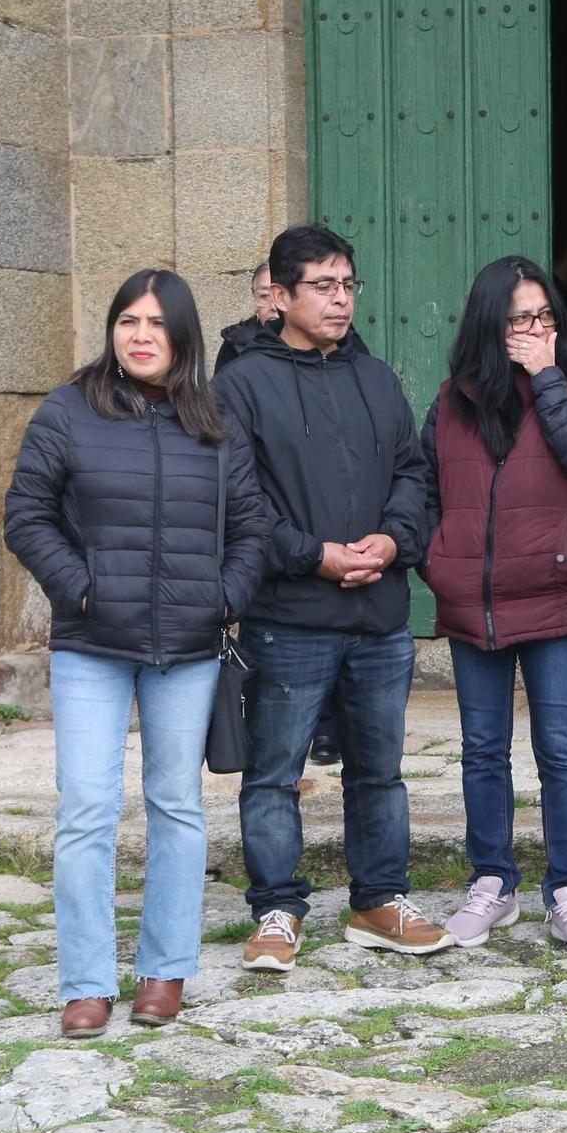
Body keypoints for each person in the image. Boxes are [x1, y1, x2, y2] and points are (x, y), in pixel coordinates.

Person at [4, 268, 268, 1038]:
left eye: (157, 322)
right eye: (128, 320)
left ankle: (164, 971)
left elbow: (250, 528)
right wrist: (80, 589)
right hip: (92, 642)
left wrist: (224, 598)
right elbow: (27, 514)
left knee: (177, 807)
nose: (141, 334)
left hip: (187, 646)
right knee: (86, 809)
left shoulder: (215, 421)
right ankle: (86, 981)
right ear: (113, 329)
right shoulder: (67, 410)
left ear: (182, 335)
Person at [216, 223, 448, 970]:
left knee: (379, 769)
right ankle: (277, 910)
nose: (340, 299)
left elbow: (414, 473)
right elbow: (239, 501)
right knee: (276, 774)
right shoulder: (241, 385)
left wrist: (391, 540)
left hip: (378, 614)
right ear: (279, 296)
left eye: (348, 284)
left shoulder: (376, 379)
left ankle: (378, 899)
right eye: (323, 285)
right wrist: (311, 555)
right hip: (290, 618)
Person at [423, 257, 567, 957]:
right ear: (489, 325)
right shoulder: (455, 400)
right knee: (482, 750)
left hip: (556, 597)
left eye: (545, 316)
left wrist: (546, 375)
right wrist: (436, 553)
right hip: (476, 600)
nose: (537, 329)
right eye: (520, 320)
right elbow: (424, 483)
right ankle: (492, 880)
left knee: (560, 749)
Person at [215, 259, 344, 768]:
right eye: (266, 294)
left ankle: (328, 731)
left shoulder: (342, 357)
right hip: (270, 526)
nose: (274, 303)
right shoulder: (239, 358)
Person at [215, 262, 276, 373]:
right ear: (254, 296)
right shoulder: (235, 346)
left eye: (281, 295)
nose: (273, 306)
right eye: (264, 296)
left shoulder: (309, 341)